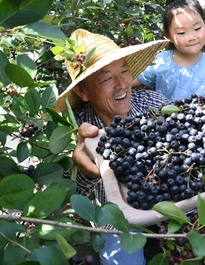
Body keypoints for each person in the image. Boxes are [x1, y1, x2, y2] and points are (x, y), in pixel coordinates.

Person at [54, 28, 170, 265]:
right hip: (119, 216)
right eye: (106, 78)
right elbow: (78, 203)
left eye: (124, 71)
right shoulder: (79, 136)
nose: (121, 84)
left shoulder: (155, 105)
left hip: (169, 198)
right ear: (82, 91)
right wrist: (87, 172)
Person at [132, 0, 205, 105]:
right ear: (168, 36)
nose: (191, 37)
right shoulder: (160, 61)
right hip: (162, 120)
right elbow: (131, 82)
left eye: (197, 28)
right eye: (181, 32)